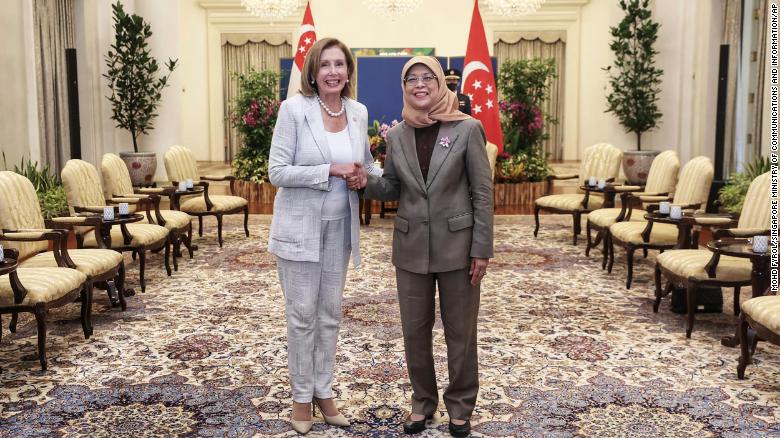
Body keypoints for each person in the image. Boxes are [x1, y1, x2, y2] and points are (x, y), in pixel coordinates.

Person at [350, 56, 493, 437]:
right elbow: (394, 187)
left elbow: (482, 192)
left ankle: (460, 406)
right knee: (415, 332)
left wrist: (481, 249)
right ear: (404, 87)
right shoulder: (397, 135)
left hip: (458, 248)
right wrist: (366, 181)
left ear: (441, 83)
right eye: (410, 78)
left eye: (426, 77)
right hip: (411, 247)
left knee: (461, 332)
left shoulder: (467, 129)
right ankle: (422, 403)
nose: (419, 84)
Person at [267, 37, 382, 435]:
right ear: (313, 73)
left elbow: (364, 163)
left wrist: (368, 175)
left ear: (349, 71)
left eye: (340, 64)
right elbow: (277, 171)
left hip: (340, 230)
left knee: (330, 316)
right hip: (299, 231)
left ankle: (324, 391)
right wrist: (329, 170)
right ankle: (301, 398)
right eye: (325, 65)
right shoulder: (293, 110)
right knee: (302, 317)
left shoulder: (358, 111)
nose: (333, 72)